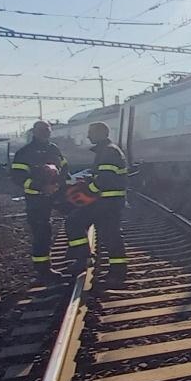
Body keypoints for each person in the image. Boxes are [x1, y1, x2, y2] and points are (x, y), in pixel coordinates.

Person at [64, 121, 128, 286]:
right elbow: (104, 177)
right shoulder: (107, 151)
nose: (87, 136)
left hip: (108, 201)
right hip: (105, 201)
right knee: (77, 221)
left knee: (109, 234)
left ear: (101, 133)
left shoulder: (108, 152)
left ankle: (116, 272)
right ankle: (85, 259)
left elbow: (105, 180)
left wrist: (88, 189)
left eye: (91, 132)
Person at [10, 121, 68, 282]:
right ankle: (43, 270)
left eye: (48, 130)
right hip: (36, 199)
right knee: (42, 233)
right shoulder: (24, 153)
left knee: (76, 218)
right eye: (42, 130)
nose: (46, 133)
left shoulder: (53, 149)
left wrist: (59, 184)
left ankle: (79, 256)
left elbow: (64, 167)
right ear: (34, 132)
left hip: (56, 194)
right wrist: (41, 187)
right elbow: (17, 177)